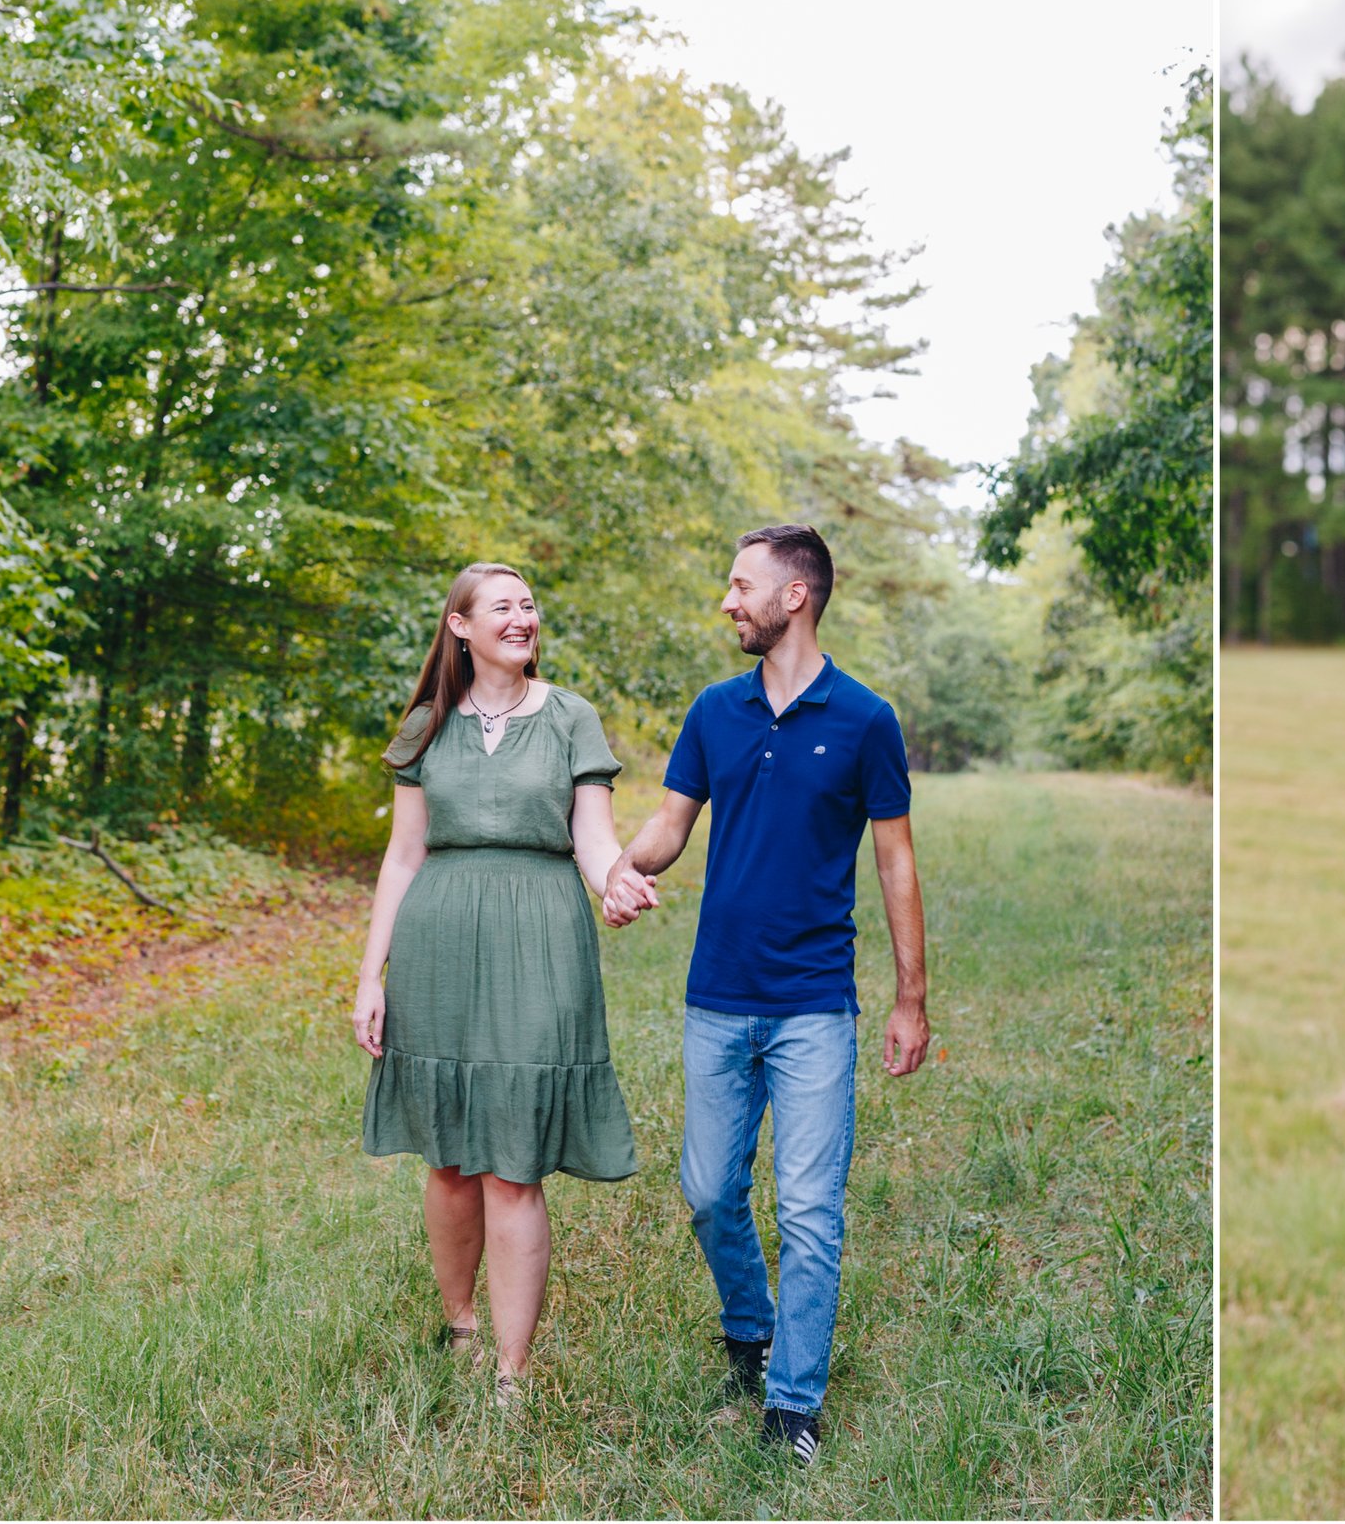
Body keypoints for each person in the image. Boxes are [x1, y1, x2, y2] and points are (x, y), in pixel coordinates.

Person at [599, 523, 929, 1467]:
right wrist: (623, 868)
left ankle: (793, 1400)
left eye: (741, 585)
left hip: (816, 1002)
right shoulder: (715, 711)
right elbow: (670, 825)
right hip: (718, 995)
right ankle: (751, 1322)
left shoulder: (866, 718)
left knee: (811, 1208)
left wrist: (910, 1000)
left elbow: (896, 860)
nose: (727, 601)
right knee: (709, 1191)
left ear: (796, 596)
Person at [354, 562, 641, 1404]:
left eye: (528, 605)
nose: (522, 618)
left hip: (540, 937)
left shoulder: (569, 718)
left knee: (512, 1160)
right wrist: (372, 974)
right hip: (437, 939)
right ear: (461, 626)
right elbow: (404, 856)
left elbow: (592, 838)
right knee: (447, 1156)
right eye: (502, 607)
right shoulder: (425, 726)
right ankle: (462, 1328)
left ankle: (512, 1373)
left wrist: (614, 880)